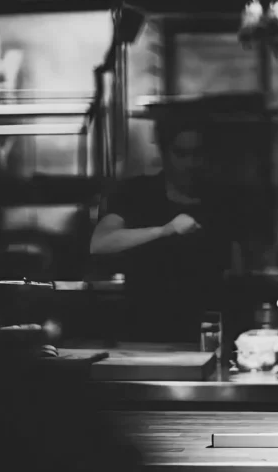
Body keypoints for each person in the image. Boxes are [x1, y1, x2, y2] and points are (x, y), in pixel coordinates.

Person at [90, 116, 235, 342]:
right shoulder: (137, 193)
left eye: (197, 154)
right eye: (181, 154)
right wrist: (164, 230)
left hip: (206, 333)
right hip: (145, 328)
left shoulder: (222, 200)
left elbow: (237, 267)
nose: (190, 163)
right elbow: (100, 243)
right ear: (165, 154)